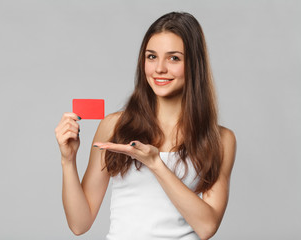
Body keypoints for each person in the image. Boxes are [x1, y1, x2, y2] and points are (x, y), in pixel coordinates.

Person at [55, 11, 236, 240]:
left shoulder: (220, 139)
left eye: (174, 58)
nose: (159, 68)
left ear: (194, 65)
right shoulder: (113, 126)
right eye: (151, 57)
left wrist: (156, 164)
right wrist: (68, 160)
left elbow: (207, 227)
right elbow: (79, 224)